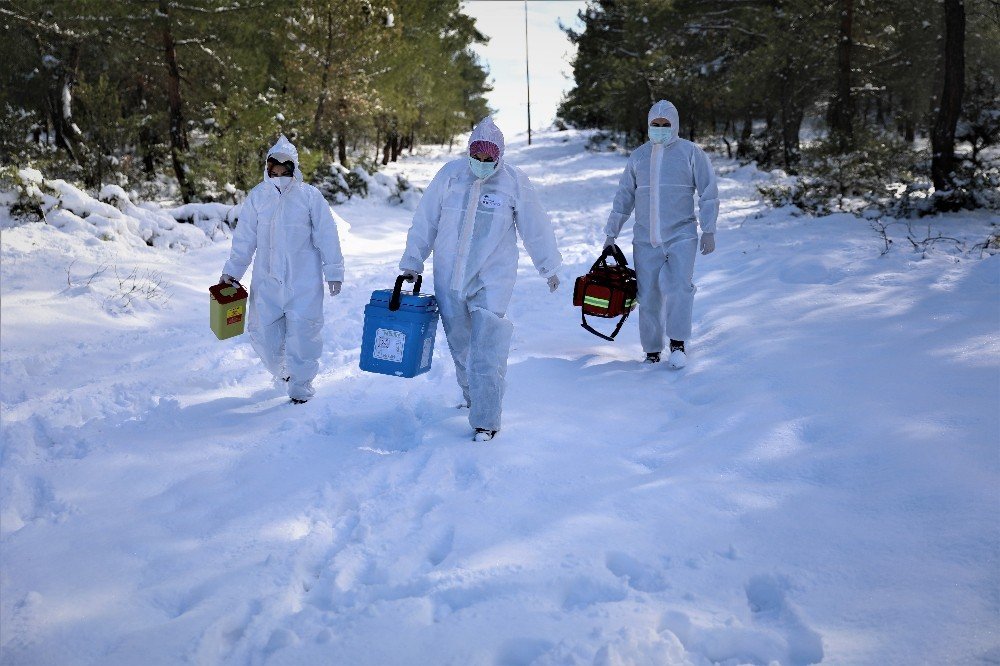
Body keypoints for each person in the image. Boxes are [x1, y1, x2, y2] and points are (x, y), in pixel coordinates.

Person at [398, 117, 562, 442]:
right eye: (478, 156)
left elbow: (536, 226)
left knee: (487, 349)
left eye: (490, 158)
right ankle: (474, 397)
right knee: (462, 348)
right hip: (449, 278)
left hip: (492, 278)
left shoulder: (514, 182)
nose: (483, 164)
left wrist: (549, 266)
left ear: (500, 156)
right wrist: (412, 262)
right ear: (469, 151)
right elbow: (425, 221)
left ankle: (486, 421)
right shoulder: (450, 176)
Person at [219, 134, 345, 404]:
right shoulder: (258, 197)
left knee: (304, 335)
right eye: (272, 171)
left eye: (283, 171)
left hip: (304, 281)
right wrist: (232, 273)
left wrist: (333, 270)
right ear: (267, 169)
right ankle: (284, 372)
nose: (278, 176)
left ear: (293, 170)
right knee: (262, 334)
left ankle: (301, 388)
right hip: (267, 282)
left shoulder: (310, 197)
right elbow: (244, 240)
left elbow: (327, 235)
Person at [603, 99, 719, 369]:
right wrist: (611, 234)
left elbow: (708, 192)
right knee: (649, 294)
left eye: (665, 125)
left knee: (680, 287)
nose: (660, 129)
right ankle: (652, 350)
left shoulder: (691, 153)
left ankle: (678, 343)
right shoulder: (639, 157)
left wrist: (708, 229)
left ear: (675, 125)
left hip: (682, 234)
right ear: (648, 125)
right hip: (645, 239)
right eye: (655, 125)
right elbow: (624, 197)